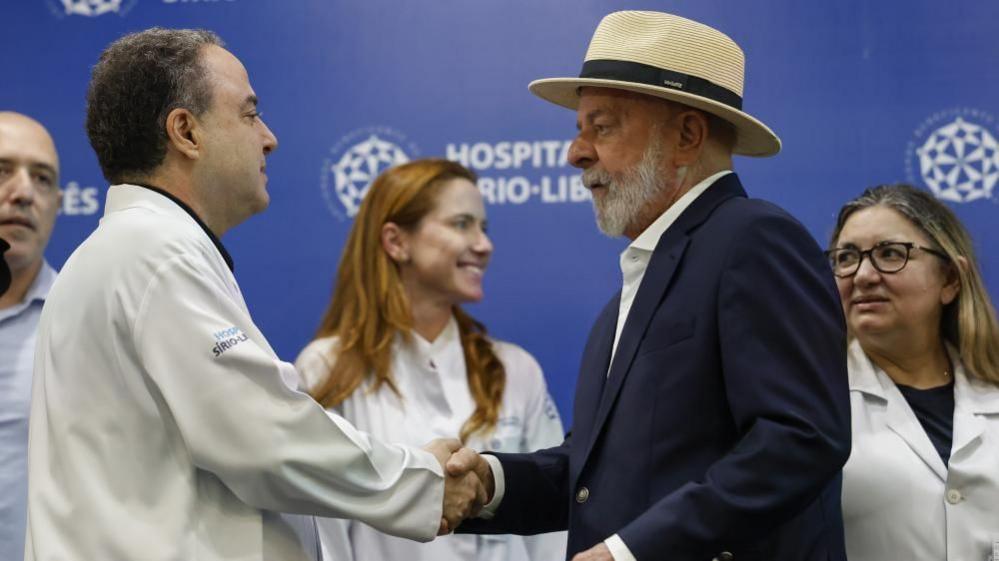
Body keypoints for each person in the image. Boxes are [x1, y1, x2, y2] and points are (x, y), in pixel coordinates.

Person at [25, 28, 486, 561]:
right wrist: (422, 483)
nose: (269, 137)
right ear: (185, 132)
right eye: (249, 114)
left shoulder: (133, 252)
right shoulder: (153, 254)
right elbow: (264, 438)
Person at [452, 10, 851, 561]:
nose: (576, 152)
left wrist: (632, 551)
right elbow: (595, 477)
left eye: (603, 126)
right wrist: (490, 481)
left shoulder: (754, 238)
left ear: (687, 135)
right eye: (579, 129)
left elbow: (800, 440)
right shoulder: (632, 293)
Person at [295, 158, 567, 561]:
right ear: (396, 241)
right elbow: (324, 533)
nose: (484, 244)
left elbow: (552, 531)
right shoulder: (328, 367)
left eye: (484, 228)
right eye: (462, 224)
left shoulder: (516, 370)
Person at [828, 184, 999, 561]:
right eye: (846, 258)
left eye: (890, 254)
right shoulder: (811, 400)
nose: (863, 275)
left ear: (951, 280)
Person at [0, 111, 60, 561]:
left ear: (58, 203)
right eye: (2, 171)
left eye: (41, 178)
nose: (22, 193)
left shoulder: (89, 326)